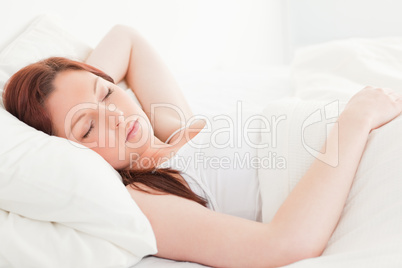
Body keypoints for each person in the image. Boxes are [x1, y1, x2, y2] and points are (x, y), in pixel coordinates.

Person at [3, 25, 402, 268]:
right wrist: (355, 120)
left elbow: (127, 38)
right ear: (69, 152)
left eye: (108, 93)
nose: (116, 116)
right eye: (88, 127)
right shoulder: (146, 197)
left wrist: (69, 83)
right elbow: (285, 244)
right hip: (363, 148)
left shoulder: (173, 125)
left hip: (369, 124)